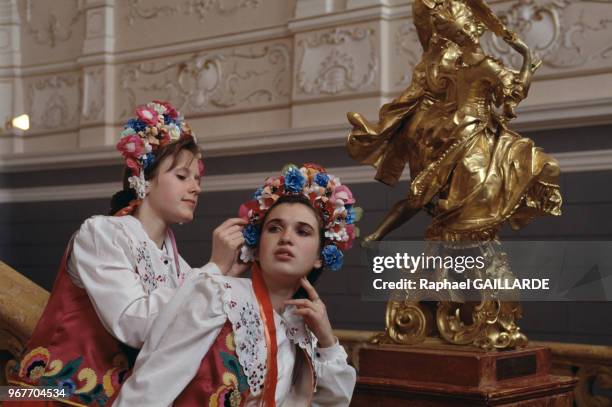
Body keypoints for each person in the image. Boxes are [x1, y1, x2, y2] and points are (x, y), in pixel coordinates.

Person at [5, 101, 246, 406]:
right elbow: (134, 324)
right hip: (60, 392)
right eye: (183, 177)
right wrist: (212, 270)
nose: (196, 188)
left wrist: (223, 276)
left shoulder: (176, 262)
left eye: (198, 179)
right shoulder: (100, 234)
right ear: (145, 177)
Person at [113, 163, 360, 406]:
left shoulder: (304, 334)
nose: (286, 238)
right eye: (274, 228)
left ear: (320, 256)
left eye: (303, 232)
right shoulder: (219, 296)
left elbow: (331, 402)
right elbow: (152, 385)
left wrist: (327, 341)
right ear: (257, 244)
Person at [347, 0, 561, 243]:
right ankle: (394, 232)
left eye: (467, 27)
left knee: (427, 191)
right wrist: (527, 62)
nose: (467, 34)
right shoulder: (466, 64)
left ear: (475, 27)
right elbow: (513, 95)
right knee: (425, 190)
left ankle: (389, 233)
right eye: (460, 32)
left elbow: (508, 99)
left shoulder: (462, 64)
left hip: (466, 129)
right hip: (464, 131)